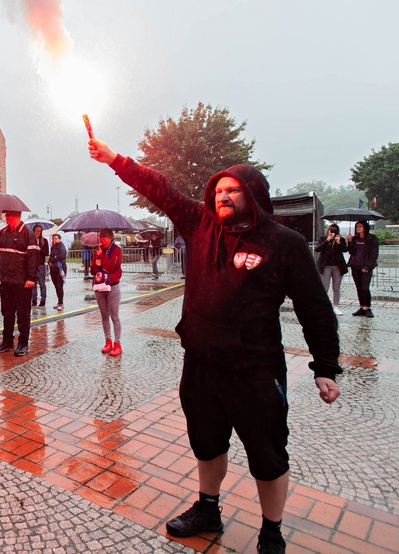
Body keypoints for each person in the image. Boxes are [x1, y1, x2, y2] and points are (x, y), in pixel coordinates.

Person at [89, 137, 341, 554]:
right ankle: (209, 508)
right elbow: (160, 187)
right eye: (218, 190)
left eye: (232, 190)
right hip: (201, 365)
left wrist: (326, 366)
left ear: (253, 194)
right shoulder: (200, 222)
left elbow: (315, 308)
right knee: (206, 442)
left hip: (256, 371)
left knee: (267, 454)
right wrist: (116, 159)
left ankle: (272, 531)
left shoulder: (284, 243)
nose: (222, 196)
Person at [0, 210, 39, 357]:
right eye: (6, 216)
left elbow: (33, 257)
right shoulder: (3, 232)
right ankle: (7, 341)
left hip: (22, 282)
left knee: (23, 314)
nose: (6, 218)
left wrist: (31, 278)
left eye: (8, 216)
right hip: (6, 280)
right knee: (7, 312)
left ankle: (23, 342)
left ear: (17, 217)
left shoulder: (27, 233)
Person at [91, 229, 123, 356]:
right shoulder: (97, 251)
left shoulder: (116, 250)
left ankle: (117, 344)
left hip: (112, 286)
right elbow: (93, 271)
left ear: (111, 238)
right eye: (101, 237)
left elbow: (112, 267)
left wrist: (102, 257)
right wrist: (96, 262)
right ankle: (108, 341)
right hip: (100, 286)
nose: (102, 240)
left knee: (114, 316)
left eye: (105, 237)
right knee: (104, 316)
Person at [346, 220, 379, 318]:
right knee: (359, 288)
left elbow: (374, 254)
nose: (358, 228)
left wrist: (368, 266)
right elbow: (351, 252)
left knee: (365, 288)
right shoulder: (355, 239)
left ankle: (367, 307)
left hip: (365, 266)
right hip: (355, 265)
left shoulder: (372, 239)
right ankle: (362, 307)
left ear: (365, 227)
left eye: (360, 226)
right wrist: (350, 242)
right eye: (357, 226)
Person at [315, 224, 348, 316]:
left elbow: (345, 250)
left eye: (335, 231)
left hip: (338, 266)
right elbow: (317, 249)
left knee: (336, 288)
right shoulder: (323, 239)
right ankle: (323, 306)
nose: (333, 233)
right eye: (331, 231)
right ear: (328, 231)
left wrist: (339, 243)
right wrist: (327, 240)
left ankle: (336, 306)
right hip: (325, 266)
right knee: (324, 287)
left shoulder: (340, 240)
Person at [31, 224, 49, 307]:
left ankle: (43, 299)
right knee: (33, 284)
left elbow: (46, 253)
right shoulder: (31, 240)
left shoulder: (44, 241)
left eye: (39, 231)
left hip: (40, 265)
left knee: (42, 284)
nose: (38, 232)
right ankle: (34, 299)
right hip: (32, 265)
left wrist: (40, 249)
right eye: (36, 231)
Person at [48, 233, 67, 311]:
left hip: (60, 269)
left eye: (55, 238)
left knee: (59, 286)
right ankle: (59, 302)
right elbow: (51, 256)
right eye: (53, 238)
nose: (54, 240)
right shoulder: (53, 247)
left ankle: (61, 303)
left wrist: (52, 260)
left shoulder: (61, 246)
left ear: (59, 239)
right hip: (53, 270)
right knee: (56, 286)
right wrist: (50, 262)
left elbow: (62, 256)